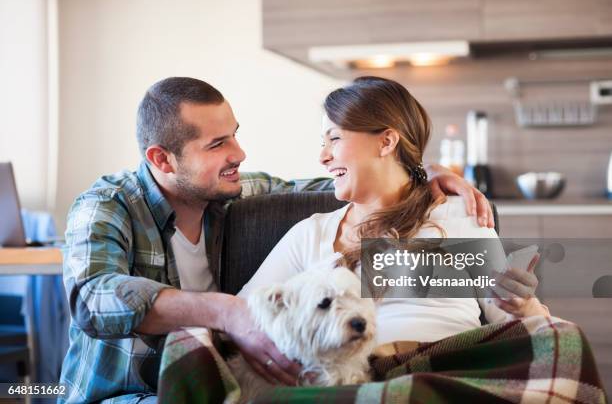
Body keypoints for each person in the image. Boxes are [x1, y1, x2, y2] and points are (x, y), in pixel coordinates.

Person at [59, 77, 496, 403]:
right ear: (161, 159)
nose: (239, 153)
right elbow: (90, 298)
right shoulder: (107, 205)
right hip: (126, 393)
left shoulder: (228, 193)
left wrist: (426, 171)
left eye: (235, 133)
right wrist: (227, 312)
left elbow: (345, 181)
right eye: (217, 144)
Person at [239, 76, 549, 346]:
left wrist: (523, 305)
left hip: (447, 373)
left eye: (334, 138)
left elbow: (518, 321)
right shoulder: (311, 234)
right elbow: (242, 316)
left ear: (386, 141)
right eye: (322, 142)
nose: (323, 156)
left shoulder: (457, 214)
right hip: (356, 384)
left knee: (564, 338)